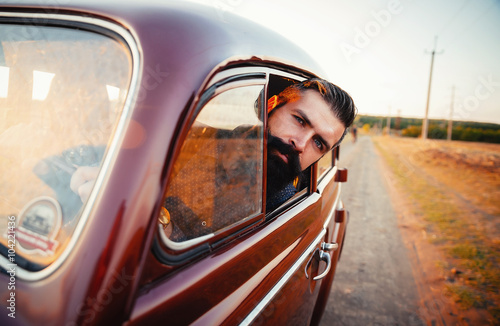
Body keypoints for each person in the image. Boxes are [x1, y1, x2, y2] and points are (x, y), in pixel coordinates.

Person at [70, 78, 356, 214]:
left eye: (319, 143)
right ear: (270, 105)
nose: (301, 143)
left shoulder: (281, 203)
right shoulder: (201, 142)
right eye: (299, 120)